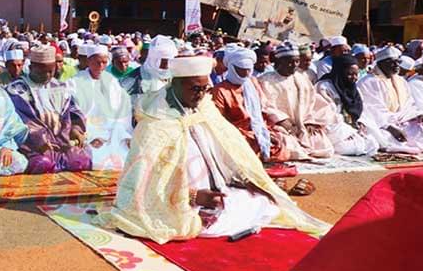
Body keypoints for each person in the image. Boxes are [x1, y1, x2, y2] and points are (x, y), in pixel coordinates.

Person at [105, 56, 328, 244]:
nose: (201, 94)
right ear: (176, 85)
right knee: (188, 224)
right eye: (195, 88)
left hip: (217, 193)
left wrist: (243, 176)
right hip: (180, 202)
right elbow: (145, 181)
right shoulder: (155, 123)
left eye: (205, 89)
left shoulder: (204, 109)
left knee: (265, 202)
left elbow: (227, 149)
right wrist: (193, 196)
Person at [6, 46, 91, 173]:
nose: (47, 75)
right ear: (30, 68)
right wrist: (41, 139)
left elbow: (72, 111)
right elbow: (23, 120)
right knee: (43, 164)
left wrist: (76, 129)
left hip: (63, 142)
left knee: (80, 160)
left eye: (50, 71)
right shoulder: (17, 89)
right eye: (41, 72)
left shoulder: (60, 86)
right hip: (33, 145)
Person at [212, 48, 294, 161]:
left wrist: (266, 129)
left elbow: (261, 109)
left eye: (248, 69)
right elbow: (218, 120)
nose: (245, 73)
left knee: (280, 141)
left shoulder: (252, 83)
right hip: (235, 131)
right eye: (241, 69)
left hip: (257, 127)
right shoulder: (220, 90)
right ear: (231, 68)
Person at [258, 43, 334, 158]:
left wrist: (310, 121)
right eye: (289, 62)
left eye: (297, 61)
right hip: (278, 125)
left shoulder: (302, 78)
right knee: (287, 145)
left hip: (302, 124)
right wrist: (281, 120)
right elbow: (265, 105)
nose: (294, 65)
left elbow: (313, 100)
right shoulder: (265, 80)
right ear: (278, 62)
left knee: (323, 146)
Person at [357, 46, 423, 154]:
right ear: (381, 63)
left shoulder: (401, 81)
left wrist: (418, 115)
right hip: (383, 126)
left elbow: (409, 104)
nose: (397, 65)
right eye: (392, 62)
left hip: (403, 122)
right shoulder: (368, 82)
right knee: (382, 138)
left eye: (398, 62)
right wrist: (391, 127)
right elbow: (372, 111)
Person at [69, 45, 132, 170]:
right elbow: (74, 110)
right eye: (97, 62)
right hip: (87, 127)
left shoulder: (111, 81)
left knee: (123, 151)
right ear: (89, 61)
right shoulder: (75, 81)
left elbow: (121, 108)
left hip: (111, 127)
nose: (101, 66)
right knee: (96, 157)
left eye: (104, 62)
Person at [314, 55, 380, 156]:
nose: (354, 78)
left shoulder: (353, 88)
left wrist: (360, 122)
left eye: (356, 74)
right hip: (334, 128)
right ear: (340, 72)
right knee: (344, 148)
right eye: (350, 74)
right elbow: (326, 115)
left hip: (351, 127)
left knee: (373, 144)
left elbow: (361, 110)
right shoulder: (324, 87)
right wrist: (349, 131)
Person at [122, 35, 178, 107]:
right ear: (153, 60)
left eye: (170, 62)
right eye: (164, 62)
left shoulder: (174, 77)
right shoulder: (131, 82)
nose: (167, 66)